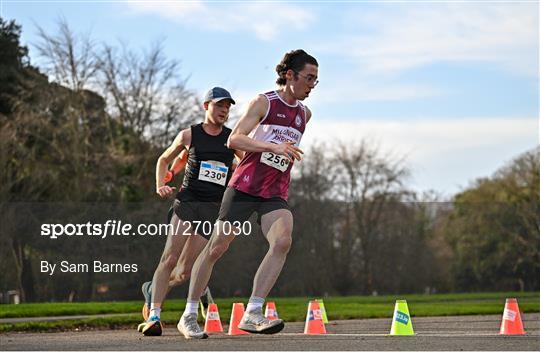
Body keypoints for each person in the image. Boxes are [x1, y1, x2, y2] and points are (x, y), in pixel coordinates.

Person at [177, 49, 318, 339]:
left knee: (282, 241)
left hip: (274, 190)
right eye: (308, 78)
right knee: (217, 247)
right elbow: (234, 139)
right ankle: (189, 314)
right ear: (290, 75)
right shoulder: (264, 102)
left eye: (316, 80)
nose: (312, 85)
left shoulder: (305, 114)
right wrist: (273, 147)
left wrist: (283, 154)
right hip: (245, 186)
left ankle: (253, 312)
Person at [138, 87, 241, 337]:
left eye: (227, 107)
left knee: (185, 271)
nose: (224, 111)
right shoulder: (189, 135)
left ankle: (152, 290)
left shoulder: (232, 139)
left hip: (211, 210)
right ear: (206, 106)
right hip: (187, 203)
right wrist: (160, 184)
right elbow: (164, 159)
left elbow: (245, 166)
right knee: (169, 258)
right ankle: (154, 317)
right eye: (219, 106)